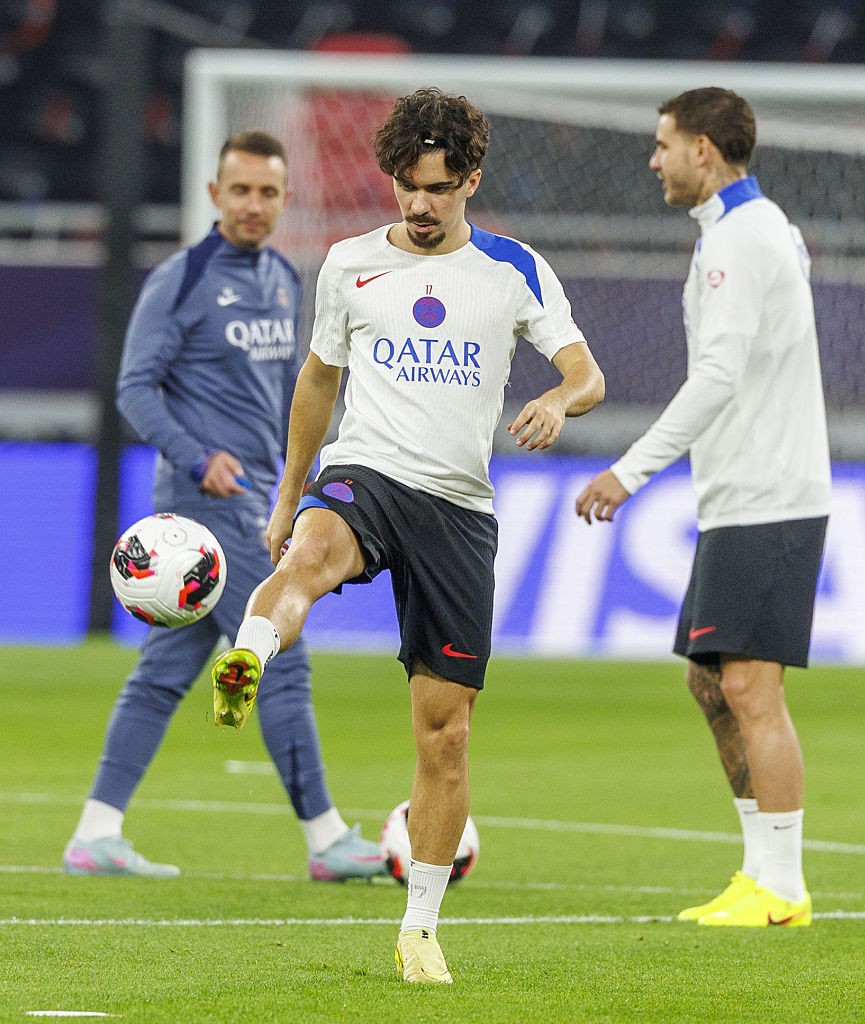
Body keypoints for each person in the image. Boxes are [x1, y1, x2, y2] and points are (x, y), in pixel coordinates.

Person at [210, 88, 605, 981]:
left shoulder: (513, 269)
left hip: (458, 510)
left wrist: (552, 398)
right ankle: (246, 655)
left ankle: (420, 928)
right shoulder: (349, 265)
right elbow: (318, 383)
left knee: (445, 734)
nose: (419, 206)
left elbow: (587, 374)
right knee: (309, 554)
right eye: (405, 186)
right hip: (366, 474)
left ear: (470, 179)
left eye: (438, 188)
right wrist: (289, 492)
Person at [63, 130, 384, 883]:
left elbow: (282, 396)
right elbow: (134, 388)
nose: (253, 204)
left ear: (284, 199)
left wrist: (295, 477)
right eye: (239, 190)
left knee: (165, 672)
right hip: (201, 514)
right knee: (284, 653)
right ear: (214, 195)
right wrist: (197, 457)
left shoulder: (279, 274)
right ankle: (327, 839)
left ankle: (96, 831)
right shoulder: (181, 278)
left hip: (260, 502)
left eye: (267, 192)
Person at [576, 87, 831, 928]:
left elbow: (717, 379)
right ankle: (759, 871)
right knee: (711, 682)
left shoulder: (739, 239)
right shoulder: (754, 231)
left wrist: (630, 472)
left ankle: (783, 887)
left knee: (753, 687)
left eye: (664, 144)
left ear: (706, 150)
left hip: (769, 495)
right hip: (742, 497)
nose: (655, 159)